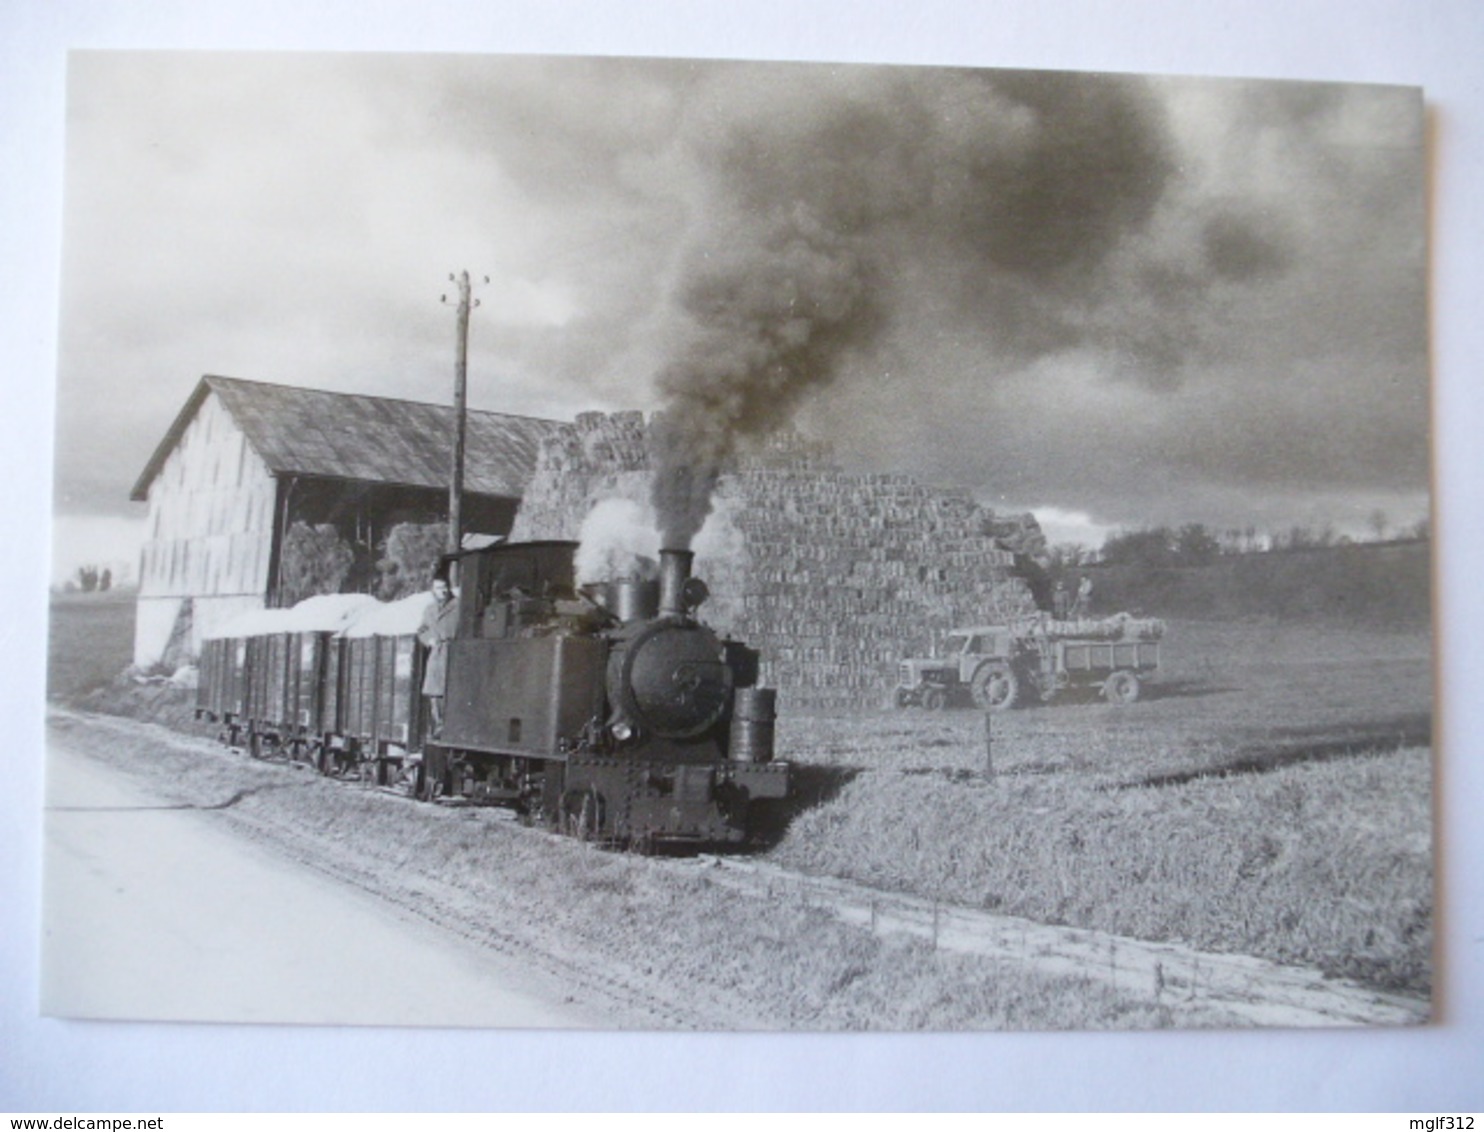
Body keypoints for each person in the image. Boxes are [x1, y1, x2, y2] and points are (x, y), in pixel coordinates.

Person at [418, 576, 458, 736]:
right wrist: (429, 640)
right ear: (432, 591)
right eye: (438, 588)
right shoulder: (429, 609)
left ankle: (448, 725)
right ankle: (440, 724)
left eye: (444, 587)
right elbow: (421, 630)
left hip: (453, 651)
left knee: (450, 690)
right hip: (437, 653)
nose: (442, 591)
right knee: (435, 693)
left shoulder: (459, 606)